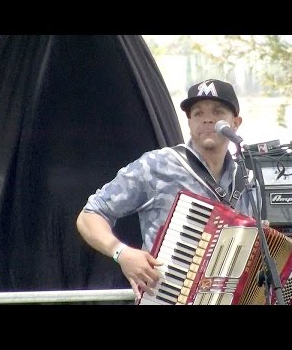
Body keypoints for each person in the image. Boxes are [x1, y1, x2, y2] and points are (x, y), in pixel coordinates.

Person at [76, 79, 259, 304]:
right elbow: (90, 215)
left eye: (218, 112)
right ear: (190, 123)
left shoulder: (247, 181)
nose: (208, 119)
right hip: (165, 298)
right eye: (198, 113)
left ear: (236, 122)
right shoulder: (157, 166)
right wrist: (121, 252)